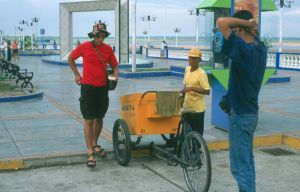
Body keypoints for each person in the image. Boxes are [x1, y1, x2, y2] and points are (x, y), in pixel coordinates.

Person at [217, 10, 267, 192]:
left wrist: (245, 24)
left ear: (239, 28)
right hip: (251, 112)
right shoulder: (260, 48)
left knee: (240, 167)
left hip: (240, 115)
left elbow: (221, 22)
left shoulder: (243, 49)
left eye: (237, 29)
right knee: (247, 163)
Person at [68, 21, 119, 168]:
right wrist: (77, 75)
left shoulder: (108, 49)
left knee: (100, 117)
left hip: (103, 87)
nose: (101, 39)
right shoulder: (84, 47)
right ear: (93, 35)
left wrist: (116, 74)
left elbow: (115, 65)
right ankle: (90, 151)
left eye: (103, 36)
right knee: (89, 120)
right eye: (98, 36)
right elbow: (71, 58)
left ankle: (95, 143)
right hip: (88, 87)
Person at [181, 48, 210, 135]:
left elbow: (207, 91)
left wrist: (192, 88)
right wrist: (181, 100)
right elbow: (185, 86)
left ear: (199, 60)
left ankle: (197, 148)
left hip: (197, 110)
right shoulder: (187, 69)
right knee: (185, 134)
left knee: (197, 134)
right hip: (187, 108)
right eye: (190, 57)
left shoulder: (201, 73)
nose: (192, 60)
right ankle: (186, 148)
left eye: (194, 58)